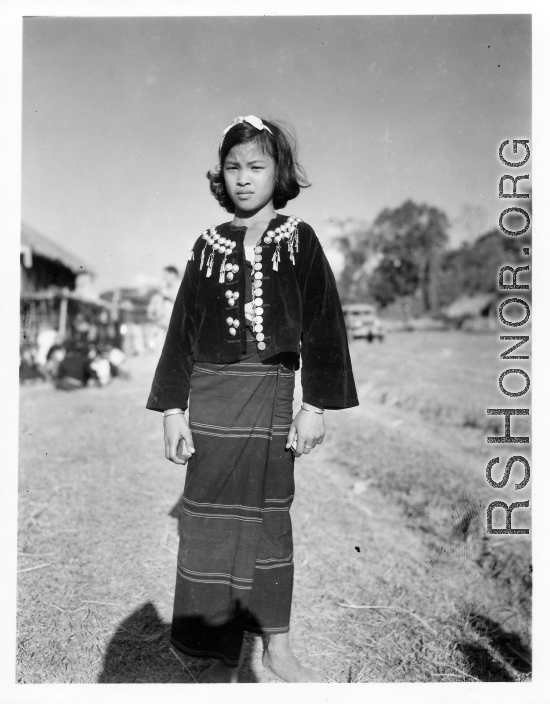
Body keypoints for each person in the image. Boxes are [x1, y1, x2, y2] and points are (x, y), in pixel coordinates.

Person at [146, 115, 358, 683]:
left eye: (256, 167)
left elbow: (324, 324)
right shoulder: (207, 244)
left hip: (271, 394)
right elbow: (182, 329)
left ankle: (277, 648)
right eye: (233, 167)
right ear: (222, 174)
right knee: (207, 517)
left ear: (278, 173)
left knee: (269, 519)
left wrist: (314, 406)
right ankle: (207, 646)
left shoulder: (301, 239)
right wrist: (172, 411)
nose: (243, 178)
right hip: (212, 396)